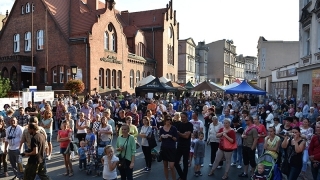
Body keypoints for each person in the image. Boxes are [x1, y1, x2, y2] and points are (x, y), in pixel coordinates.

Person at [175, 112, 193, 180]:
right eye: (181, 117)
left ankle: (184, 178)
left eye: (184, 117)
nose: (182, 118)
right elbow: (177, 134)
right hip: (179, 145)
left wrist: (179, 133)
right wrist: (182, 134)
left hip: (186, 146)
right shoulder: (179, 124)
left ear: (187, 117)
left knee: (185, 163)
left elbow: (186, 136)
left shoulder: (190, 125)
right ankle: (182, 176)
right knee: (176, 162)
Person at [159, 115, 178, 180]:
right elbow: (159, 140)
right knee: (165, 165)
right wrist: (161, 137)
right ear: (165, 120)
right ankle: (167, 179)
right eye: (167, 119)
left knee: (172, 166)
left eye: (170, 120)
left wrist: (171, 136)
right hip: (164, 148)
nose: (169, 121)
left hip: (172, 148)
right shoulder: (161, 129)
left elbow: (176, 139)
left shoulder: (173, 128)